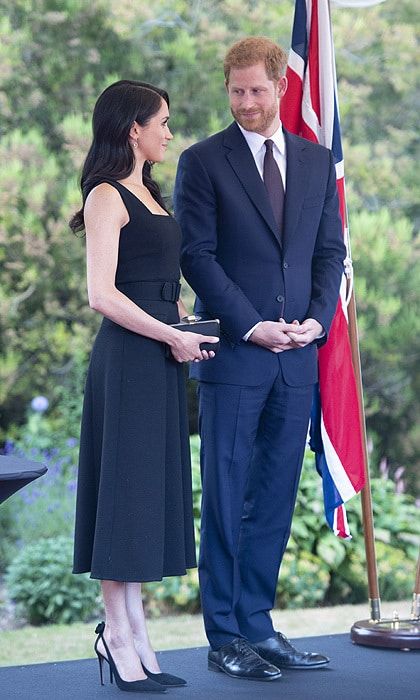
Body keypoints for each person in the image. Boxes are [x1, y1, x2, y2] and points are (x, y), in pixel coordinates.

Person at [174, 37, 347, 682]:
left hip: (297, 360)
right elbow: (197, 256)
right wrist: (252, 327)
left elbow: (329, 253)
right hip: (236, 360)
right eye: (235, 90)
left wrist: (316, 322)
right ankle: (224, 637)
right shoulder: (202, 162)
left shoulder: (314, 160)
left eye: (256, 91)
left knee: (274, 495)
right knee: (225, 495)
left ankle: (258, 626)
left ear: (281, 89)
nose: (245, 102)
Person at [70, 79, 218, 693]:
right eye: (162, 120)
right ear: (133, 127)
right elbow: (101, 295)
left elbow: (151, 279)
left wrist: (180, 322)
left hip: (159, 356)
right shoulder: (107, 195)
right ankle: (117, 634)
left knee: (144, 493)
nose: (169, 131)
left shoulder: (148, 194)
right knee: (122, 496)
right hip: (131, 360)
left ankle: (136, 632)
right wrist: (169, 334)